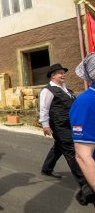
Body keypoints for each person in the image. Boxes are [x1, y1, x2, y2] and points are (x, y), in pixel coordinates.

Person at [39, 63, 89, 204]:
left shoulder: (67, 90)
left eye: (63, 72)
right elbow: (43, 108)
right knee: (71, 152)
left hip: (70, 124)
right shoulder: (48, 90)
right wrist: (45, 125)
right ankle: (85, 183)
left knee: (58, 147)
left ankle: (47, 168)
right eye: (60, 73)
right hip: (59, 126)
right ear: (52, 76)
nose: (63, 75)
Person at [70, 53, 95, 205]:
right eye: (59, 73)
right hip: (63, 129)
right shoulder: (85, 102)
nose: (62, 75)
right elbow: (83, 155)